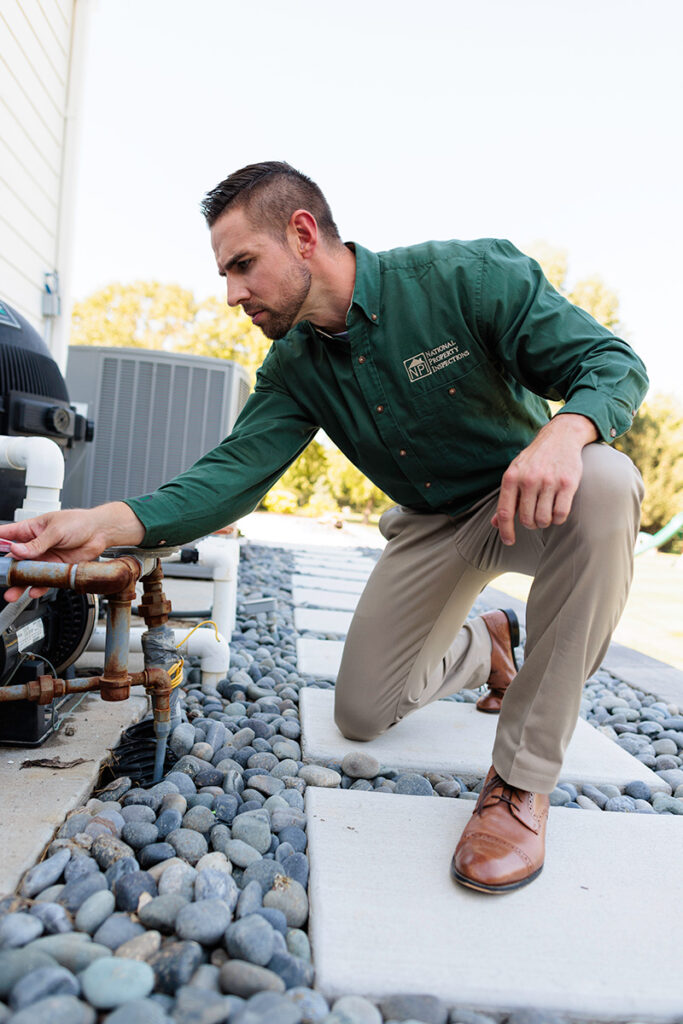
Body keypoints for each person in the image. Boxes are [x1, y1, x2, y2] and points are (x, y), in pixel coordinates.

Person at [2, 161, 647, 894]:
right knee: (364, 712)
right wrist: (100, 523)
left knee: (606, 482)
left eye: (243, 265)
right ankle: (485, 643)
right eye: (225, 273)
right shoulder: (293, 367)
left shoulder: (465, 276)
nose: (231, 295)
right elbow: (228, 476)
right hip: (433, 528)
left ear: (303, 234)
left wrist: (565, 432)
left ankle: (520, 782)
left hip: (525, 501)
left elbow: (609, 360)